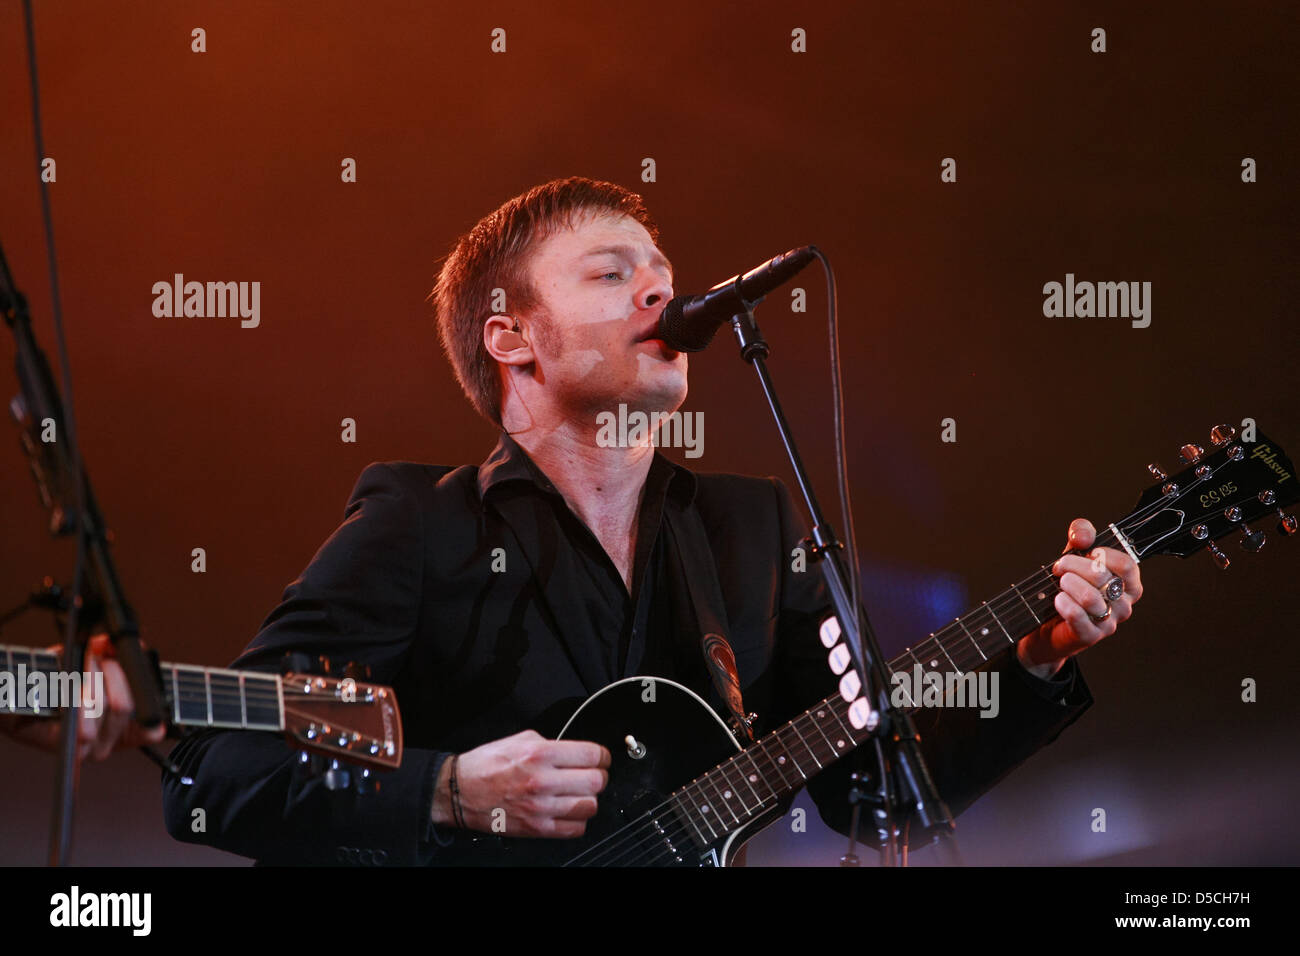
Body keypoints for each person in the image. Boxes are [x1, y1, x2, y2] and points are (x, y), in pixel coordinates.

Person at [160, 176, 1142, 865]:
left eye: (660, 270)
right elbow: (211, 767)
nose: (659, 289)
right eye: (607, 271)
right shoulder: (418, 523)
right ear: (509, 335)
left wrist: (1036, 655)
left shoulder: (747, 529)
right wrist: (445, 788)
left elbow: (871, 793)